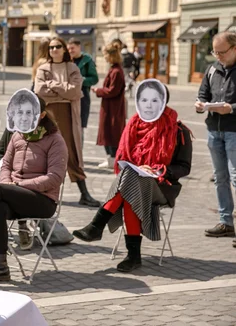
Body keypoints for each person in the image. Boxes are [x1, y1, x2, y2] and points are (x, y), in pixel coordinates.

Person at [74, 83, 192, 272]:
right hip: (134, 185)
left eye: (154, 100)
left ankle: (97, 225)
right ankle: (133, 256)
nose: (148, 105)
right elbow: (123, 159)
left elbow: (184, 168)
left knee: (131, 180)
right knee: (131, 180)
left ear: (163, 101)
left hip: (162, 187)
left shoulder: (178, 130)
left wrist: (159, 170)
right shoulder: (133, 125)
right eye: (144, 99)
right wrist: (139, 169)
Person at [0, 95, 66, 282]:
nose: (23, 117)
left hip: (42, 200)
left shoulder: (54, 140)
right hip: (15, 194)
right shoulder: (17, 135)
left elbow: (55, 178)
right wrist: (8, 183)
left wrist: (18, 185)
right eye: (20, 112)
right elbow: (5, 165)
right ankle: (1, 266)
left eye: (29, 112)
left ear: (41, 115)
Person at [34, 37, 100, 207]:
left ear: (64, 49)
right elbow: (40, 91)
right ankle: (40, 191)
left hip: (67, 115)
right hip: (46, 115)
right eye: (51, 47)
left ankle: (84, 194)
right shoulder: (43, 68)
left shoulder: (72, 68)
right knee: (44, 152)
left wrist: (52, 86)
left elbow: (75, 91)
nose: (54, 49)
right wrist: (62, 90)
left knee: (71, 152)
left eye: (57, 47)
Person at [196, 31, 236, 241]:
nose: (218, 56)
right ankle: (226, 223)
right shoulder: (212, 69)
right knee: (220, 178)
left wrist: (231, 109)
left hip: (234, 132)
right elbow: (203, 94)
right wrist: (200, 104)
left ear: (234, 48)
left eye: (222, 52)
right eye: (215, 52)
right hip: (214, 130)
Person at [92, 42, 126, 169]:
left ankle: (113, 160)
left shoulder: (116, 71)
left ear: (111, 55)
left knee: (111, 132)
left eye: (105, 54)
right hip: (110, 106)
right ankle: (111, 159)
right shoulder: (114, 69)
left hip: (113, 108)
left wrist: (98, 91)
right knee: (108, 132)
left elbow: (113, 90)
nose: (104, 57)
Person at [67, 38, 98, 138]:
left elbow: (94, 79)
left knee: (79, 127)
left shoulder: (87, 60)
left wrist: (81, 80)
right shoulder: (66, 60)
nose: (70, 51)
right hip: (68, 96)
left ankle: (79, 151)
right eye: (69, 49)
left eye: (73, 48)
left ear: (79, 47)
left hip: (83, 96)